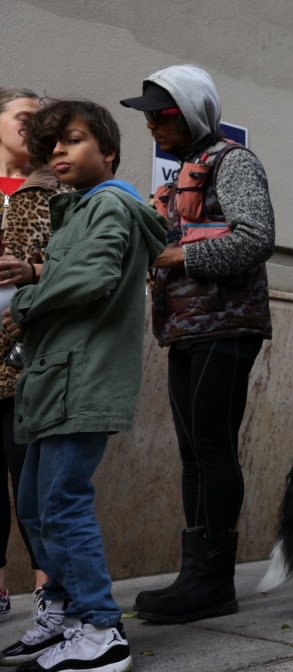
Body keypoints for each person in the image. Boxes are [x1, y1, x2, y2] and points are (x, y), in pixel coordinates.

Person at [0, 98, 166, 672]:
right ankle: (69, 615)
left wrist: (25, 300)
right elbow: (84, 267)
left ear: (109, 151)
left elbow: (95, 274)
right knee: (34, 503)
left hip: (82, 381)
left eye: (72, 140)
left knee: (63, 503)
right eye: (51, 146)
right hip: (58, 381)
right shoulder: (81, 210)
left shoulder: (110, 203)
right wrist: (40, 273)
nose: (58, 152)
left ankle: (102, 629)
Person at [120, 64, 275, 623]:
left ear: (190, 113)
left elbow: (256, 237)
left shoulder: (233, 162)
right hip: (187, 328)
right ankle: (197, 575)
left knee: (211, 448)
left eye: (161, 115)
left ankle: (212, 581)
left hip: (226, 327)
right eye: (147, 117)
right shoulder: (184, 170)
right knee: (193, 453)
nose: (152, 127)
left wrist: (176, 255)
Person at [0, 88, 55, 620]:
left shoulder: (55, 190)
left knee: (34, 482)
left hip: (28, 357)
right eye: (23, 116)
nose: (33, 126)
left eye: (42, 120)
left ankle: (47, 587)